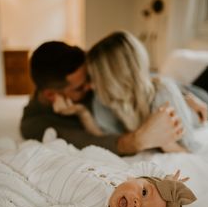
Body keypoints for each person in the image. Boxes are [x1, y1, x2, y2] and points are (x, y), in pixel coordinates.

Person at [1, 139, 196, 207]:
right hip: (52, 156)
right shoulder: (128, 173)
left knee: (2, 156)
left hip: (31, 169)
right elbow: (149, 167)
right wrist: (167, 179)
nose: (138, 203)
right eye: (144, 192)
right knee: (42, 145)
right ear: (139, 179)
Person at [21, 41, 185, 155]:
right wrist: (139, 140)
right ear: (51, 95)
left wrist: (183, 93)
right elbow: (91, 142)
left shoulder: (87, 81)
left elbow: (133, 77)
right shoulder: (35, 123)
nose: (91, 86)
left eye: (90, 77)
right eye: (80, 87)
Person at [86, 31, 208, 152]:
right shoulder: (102, 99)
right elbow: (110, 141)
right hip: (168, 87)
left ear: (115, 77)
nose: (90, 86)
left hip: (200, 100)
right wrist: (83, 114)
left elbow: (188, 148)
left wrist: (165, 143)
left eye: (95, 78)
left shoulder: (163, 93)